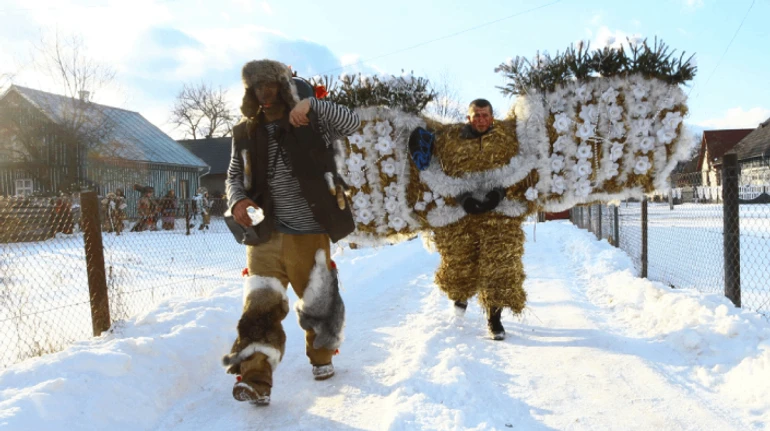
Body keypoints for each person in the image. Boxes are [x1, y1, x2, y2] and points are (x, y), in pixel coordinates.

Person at [224, 59, 360, 406]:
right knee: (259, 309)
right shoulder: (245, 132)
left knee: (318, 303)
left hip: (309, 233)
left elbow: (353, 121)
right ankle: (256, 379)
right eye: (257, 88)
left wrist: (311, 103)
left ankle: (322, 355)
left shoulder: (311, 121)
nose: (264, 94)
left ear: (283, 89)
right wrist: (237, 200)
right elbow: (233, 176)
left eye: (270, 86)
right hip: (264, 237)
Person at [410, 99, 537, 341]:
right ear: (468, 118)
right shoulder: (450, 139)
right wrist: (463, 197)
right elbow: (441, 171)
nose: (481, 119)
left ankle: (494, 319)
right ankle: (460, 299)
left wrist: (498, 195)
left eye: (485, 115)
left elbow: (521, 172)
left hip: (499, 214)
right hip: (461, 213)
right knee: (460, 261)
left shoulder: (507, 137)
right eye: (476, 115)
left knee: (499, 265)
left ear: (492, 117)